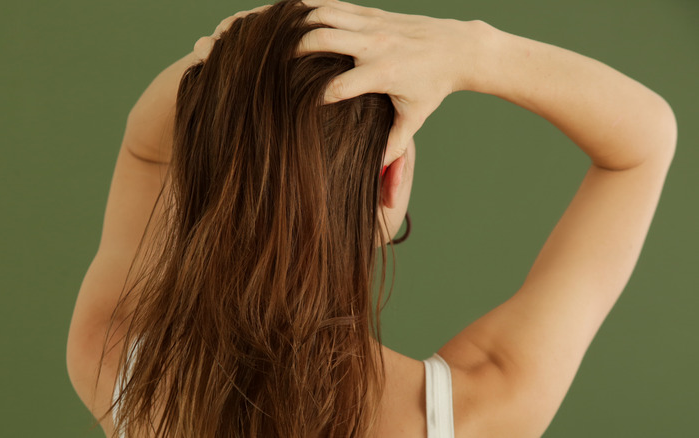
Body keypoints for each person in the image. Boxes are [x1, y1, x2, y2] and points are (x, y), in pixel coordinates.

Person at [65, 0, 677, 437]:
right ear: (392, 179)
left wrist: (232, 64)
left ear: (201, 174)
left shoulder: (119, 365)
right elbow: (643, 144)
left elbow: (145, 150)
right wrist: (475, 49)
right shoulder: (473, 411)